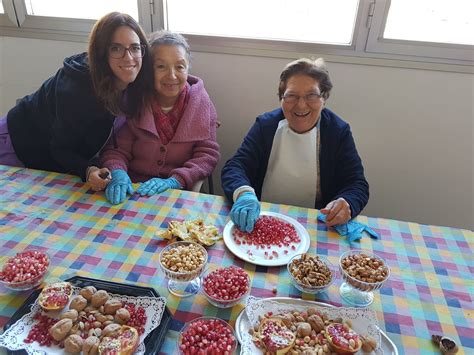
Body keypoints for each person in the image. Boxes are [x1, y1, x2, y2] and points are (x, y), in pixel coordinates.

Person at [0, 12, 153, 191]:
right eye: (116, 48)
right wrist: (88, 169)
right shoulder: (79, 91)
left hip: (55, 151)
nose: (129, 57)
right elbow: (60, 148)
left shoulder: (134, 80)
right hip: (16, 143)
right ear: (101, 53)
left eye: (135, 47)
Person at [221, 58, 369, 232]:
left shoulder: (338, 131)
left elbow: (357, 183)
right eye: (291, 96)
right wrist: (244, 193)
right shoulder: (265, 126)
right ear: (281, 99)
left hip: (316, 224)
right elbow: (235, 167)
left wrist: (347, 202)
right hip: (261, 218)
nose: (300, 104)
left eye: (311, 95)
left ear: (324, 98)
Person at [100, 30, 220, 205]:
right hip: (131, 189)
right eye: (161, 66)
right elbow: (117, 150)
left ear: (187, 69)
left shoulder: (201, 103)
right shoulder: (133, 100)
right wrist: (118, 172)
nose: (171, 76)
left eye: (179, 66)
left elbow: (207, 155)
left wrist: (175, 180)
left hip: (177, 193)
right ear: (147, 69)